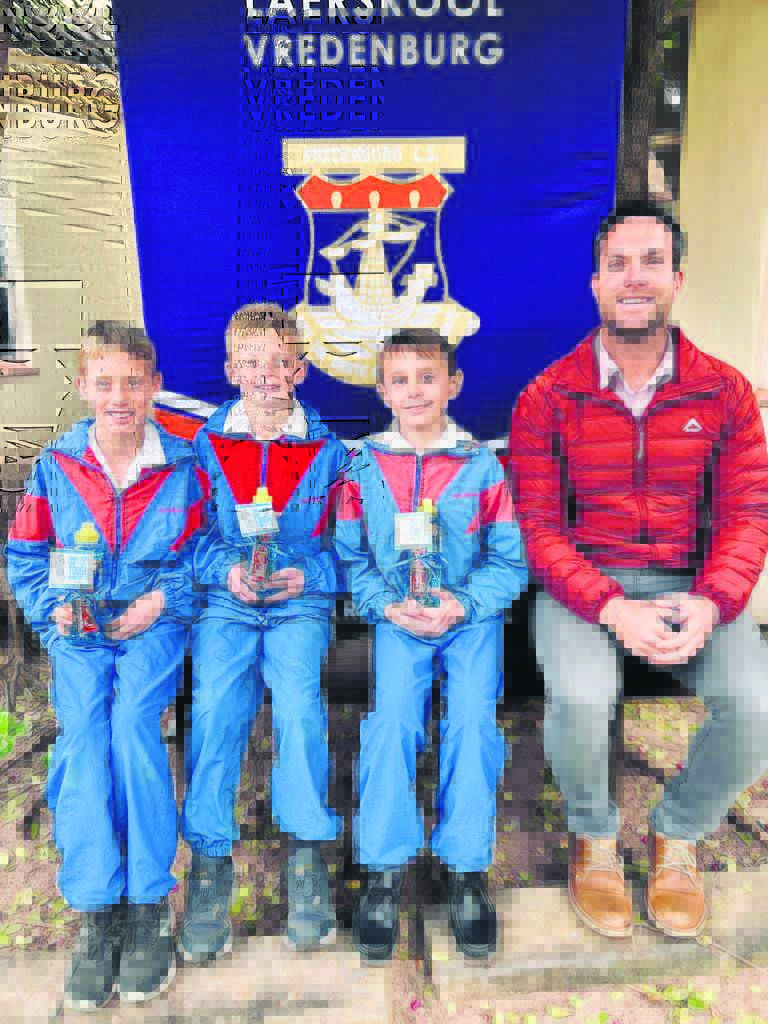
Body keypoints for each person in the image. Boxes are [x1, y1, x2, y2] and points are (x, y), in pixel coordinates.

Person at [508, 200, 768, 939]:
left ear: (676, 279)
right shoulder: (548, 396)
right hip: (586, 587)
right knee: (582, 697)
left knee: (757, 706)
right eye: (618, 263)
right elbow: (538, 529)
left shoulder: (724, 391)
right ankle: (593, 837)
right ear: (595, 282)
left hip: (693, 583)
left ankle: (676, 833)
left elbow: (748, 512)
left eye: (652, 261)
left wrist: (713, 602)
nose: (634, 277)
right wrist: (612, 606)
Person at [6, 321, 206, 1008]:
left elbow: (204, 555)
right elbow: (27, 555)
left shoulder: (182, 467)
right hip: (79, 630)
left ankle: (148, 902)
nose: (120, 397)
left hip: (151, 623)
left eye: (133, 382)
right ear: (84, 386)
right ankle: (97, 907)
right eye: (105, 383)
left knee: (132, 729)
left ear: (155, 386)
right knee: (84, 738)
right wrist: (52, 610)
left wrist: (162, 600)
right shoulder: (57, 466)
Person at [335, 328, 527, 961]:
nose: (414, 391)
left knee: (472, 722)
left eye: (427, 377)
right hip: (398, 617)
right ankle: (384, 868)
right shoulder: (362, 467)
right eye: (400, 379)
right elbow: (350, 557)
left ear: (454, 385)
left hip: (468, 618)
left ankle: (465, 868)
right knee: (391, 721)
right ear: (381, 390)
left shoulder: (481, 465)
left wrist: (463, 604)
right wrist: (383, 604)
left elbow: (510, 561)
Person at [181, 303, 347, 959]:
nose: (267, 373)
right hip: (228, 604)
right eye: (251, 361)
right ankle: (209, 865)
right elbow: (188, 537)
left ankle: (305, 856)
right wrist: (223, 571)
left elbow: (352, 546)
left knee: (301, 708)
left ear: (301, 371)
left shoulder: (328, 451)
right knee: (214, 708)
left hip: (297, 604)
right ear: (230, 370)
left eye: (281, 362)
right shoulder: (206, 446)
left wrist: (312, 574)